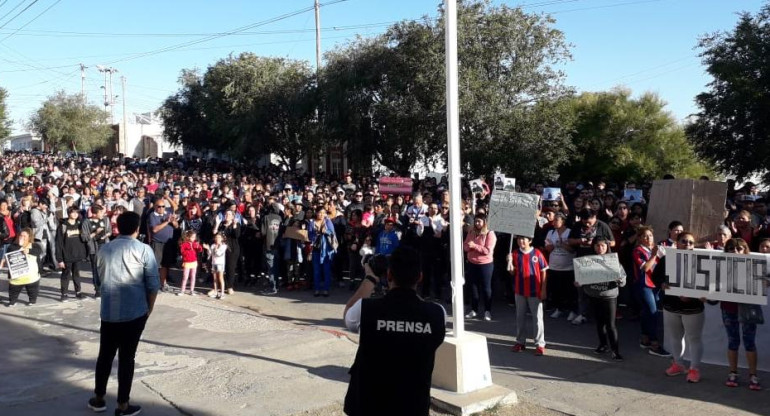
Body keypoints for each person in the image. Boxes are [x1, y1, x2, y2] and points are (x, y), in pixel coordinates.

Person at [342, 246, 446, 416]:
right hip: (412, 405)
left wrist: (370, 278)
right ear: (420, 277)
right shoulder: (437, 314)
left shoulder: (366, 309)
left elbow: (348, 315)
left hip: (369, 404)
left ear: (389, 275)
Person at [87, 211, 159, 416]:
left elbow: (98, 282)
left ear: (117, 227)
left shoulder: (104, 249)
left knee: (105, 356)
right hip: (135, 312)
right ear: (137, 229)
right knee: (127, 358)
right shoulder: (144, 250)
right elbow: (153, 285)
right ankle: (122, 405)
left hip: (109, 312)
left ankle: (99, 398)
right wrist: (148, 310)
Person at [657, 231, 706, 383]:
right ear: (677, 242)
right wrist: (662, 283)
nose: (687, 245)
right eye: (684, 241)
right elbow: (656, 275)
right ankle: (678, 364)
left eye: (691, 242)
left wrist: (696, 295)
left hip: (693, 307)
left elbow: (708, 282)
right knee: (675, 337)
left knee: (694, 338)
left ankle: (694, 369)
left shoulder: (700, 260)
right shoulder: (667, 259)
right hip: (671, 305)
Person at [722, 238, 762, 391]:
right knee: (733, 341)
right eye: (731, 248)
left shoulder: (755, 266)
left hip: (748, 308)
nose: (735, 251)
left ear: (746, 250)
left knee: (749, 342)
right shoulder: (721, 267)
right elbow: (713, 287)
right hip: (728, 307)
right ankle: (733, 372)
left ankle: (753, 375)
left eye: (739, 248)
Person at [578, 237, 625, 361]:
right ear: (593, 247)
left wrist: (620, 280)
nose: (600, 248)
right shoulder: (588, 261)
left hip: (609, 296)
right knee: (599, 323)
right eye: (597, 246)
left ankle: (615, 350)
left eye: (603, 246)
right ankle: (603, 345)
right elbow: (581, 278)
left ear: (607, 247)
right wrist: (578, 282)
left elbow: (623, 280)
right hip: (594, 295)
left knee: (611, 324)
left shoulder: (614, 262)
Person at [631, 226, 670, 357]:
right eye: (645, 236)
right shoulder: (638, 250)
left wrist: (661, 254)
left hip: (655, 285)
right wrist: (655, 255)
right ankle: (654, 344)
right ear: (640, 238)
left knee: (647, 312)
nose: (648, 238)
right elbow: (646, 267)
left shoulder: (656, 248)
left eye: (650, 236)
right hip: (644, 285)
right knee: (653, 313)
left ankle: (645, 338)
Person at [508, 235, 549, 355]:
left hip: (534, 291)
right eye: (518, 239)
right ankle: (520, 342)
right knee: (520, 317)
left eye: (523, 239)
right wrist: (509, 263)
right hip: (519, 291)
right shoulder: (514, 253)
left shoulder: (537, 253)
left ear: (529, 240)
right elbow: (512, 272)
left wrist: (543, 289)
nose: (520, 241)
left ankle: (540, 344)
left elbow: (544, 271)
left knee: (537, 318)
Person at [463, 213, 497, 321]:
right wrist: (468, 247)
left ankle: (488, 311)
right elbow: (465, 245)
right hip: (472, 263)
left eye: (479, 221)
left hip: (485, 264)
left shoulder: (489, 233)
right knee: (473, 287)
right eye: (476, 221)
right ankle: (474, 310)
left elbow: (488, 250)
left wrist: (475, 246)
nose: (477, 223)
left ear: (484, 222)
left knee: (486, 288)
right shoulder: (471, 231)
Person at [1, 228, 42, 306]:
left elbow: (38, 252)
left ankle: (32, 300)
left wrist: (28, 251)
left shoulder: (34, 245)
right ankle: (13, 301)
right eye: (21, 235)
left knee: (32, 290)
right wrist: (20, 246)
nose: (22, 237)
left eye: (24, 236)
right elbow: (9, 256)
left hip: (31, 276)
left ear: (29, 237)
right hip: (17, 276)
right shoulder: (12, 246)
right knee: (13, 291)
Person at [56, 206, 89, 302]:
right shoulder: (63, 226)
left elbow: (84, 239)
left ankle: (78, 292)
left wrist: (84, 253)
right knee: (66, 274)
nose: (75, 214)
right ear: (68, 213)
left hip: (78, 254)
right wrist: (60, 259)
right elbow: (59, 243)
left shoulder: (80, 224)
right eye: (73, 212)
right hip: (67, 255)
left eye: (76, 212)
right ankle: (64, 294)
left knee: (76, 274)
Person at [147, 199, 179, 292]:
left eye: (163, 206)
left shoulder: (168, 213)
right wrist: (166, 222)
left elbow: (177, 226)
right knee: (156, 265)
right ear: (155, 207)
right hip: (157, 243)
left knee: (165, 264)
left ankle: (163, 283)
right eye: (159, 206)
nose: (161, 208)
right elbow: (154, 230)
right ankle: (153, 284)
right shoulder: (152, 215)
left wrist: (173, 222)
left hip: (168, 243)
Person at [308, 206, 336, 297]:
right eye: (319, 212)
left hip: (327, 250)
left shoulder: (328, 221)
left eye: (323, 213)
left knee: (326, 270)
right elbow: (309, 236)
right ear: (316, 213)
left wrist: (326, 231)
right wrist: (315, 235)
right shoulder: (312, 223)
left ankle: (326, 289)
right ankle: (317, 289)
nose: (321, 214)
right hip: (316, 249)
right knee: (316, 270)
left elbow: (332, 234)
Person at [178, 230, 203, 296]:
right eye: (192, 237)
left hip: (194, 262)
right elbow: (182, 251)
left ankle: (191, 290)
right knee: (185, 277)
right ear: (188, 237)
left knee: (193, 277)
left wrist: (198, 247)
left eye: (194, 237)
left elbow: (200, 249)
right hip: (187, 262)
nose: (194, 238)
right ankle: (182, 290)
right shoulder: (184, 244)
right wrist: (188, 249)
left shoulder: (195, 243)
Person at [208, 232, 228, 299]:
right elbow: (210, 254)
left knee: (220, 278)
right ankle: (215, 291)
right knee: (215, 278)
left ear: (222, 238)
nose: (217, 239)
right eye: (216, 237)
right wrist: (208, 249)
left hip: (220, 264)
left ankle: (222, 293)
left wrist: (216, 249)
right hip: (214, 263)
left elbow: (219, 254)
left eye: (219, 237)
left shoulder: (224, 246)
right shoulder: (213, 245)